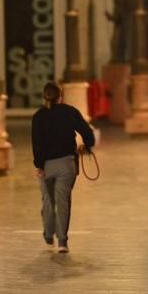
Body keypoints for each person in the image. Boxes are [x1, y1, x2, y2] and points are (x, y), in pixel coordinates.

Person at [31, 81, 95, 254]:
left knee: (48, 201)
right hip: (67, 164)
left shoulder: (38, 117)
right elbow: (88, 133)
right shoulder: (69, 112)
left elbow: (37, 145)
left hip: (46, 165)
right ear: (61, 96)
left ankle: (48, 233)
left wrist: (39, 166)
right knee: (63, 201)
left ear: (44, 97)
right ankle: (62, 242)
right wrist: (87, 145)